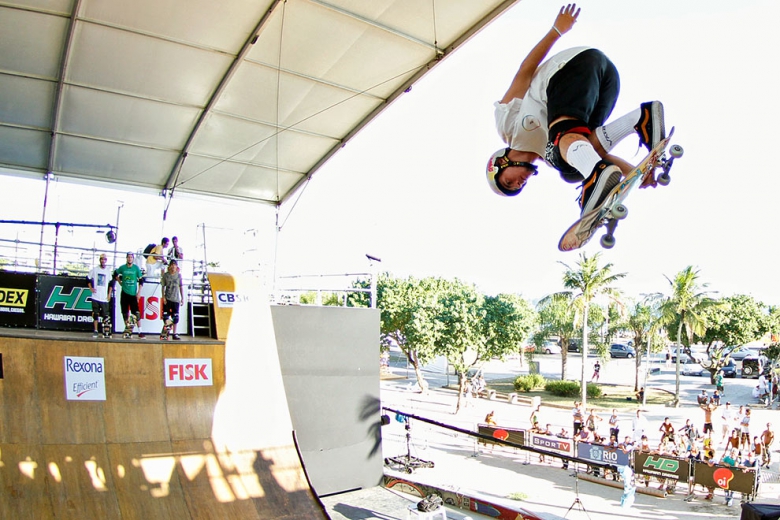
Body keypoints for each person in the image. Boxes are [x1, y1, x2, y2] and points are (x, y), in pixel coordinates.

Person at [486, 4, 666, 219]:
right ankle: (640, 119)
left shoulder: (507, 126)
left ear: (500, 164)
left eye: (509, 181)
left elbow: (524, 72)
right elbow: (596, 151)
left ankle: (596, 175)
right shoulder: (553, 153)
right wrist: (636, 172)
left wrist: (557, 31)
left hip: (570, 67)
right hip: (606, 82)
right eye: (517, 187)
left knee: (563, 148)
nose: (518, 183)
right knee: (570, 169)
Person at [114, 252, 145, 339]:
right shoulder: (122, 268)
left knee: (136, 313)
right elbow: (115, 273)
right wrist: (119, 281)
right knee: (125, 313)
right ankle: (128, 330)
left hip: (133, 294)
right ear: (126, 258)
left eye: (131, 257)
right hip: (124, 293)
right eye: (128, 257)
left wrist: (139, 292)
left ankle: (140, 331)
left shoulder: (136, 268)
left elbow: (141, 280)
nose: (129, 259)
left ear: (133, 259)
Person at [87, 253, 114, 338]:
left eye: (104, 259)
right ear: (100, 260)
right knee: (95, 313)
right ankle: (95, 330)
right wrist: (91, 288)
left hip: (104, 297)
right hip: (95, 296)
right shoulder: (95, 269)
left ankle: (105, 331)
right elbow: (87, 278)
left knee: (105, 315)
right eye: (101, 259)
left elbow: (111, 283)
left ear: (106, 261)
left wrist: (109, 294)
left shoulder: (108, 271)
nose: (103, 261)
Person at [160, 260, 184, 340]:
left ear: (176, 266)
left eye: (175, 265)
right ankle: (166, 332)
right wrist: (163, 297)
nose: (173, 266)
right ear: (170, 266)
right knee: (166, 316)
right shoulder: (166, 275)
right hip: (168, 298)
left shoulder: (179, 276)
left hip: (176, 299)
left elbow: (181, 287)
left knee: (175, 317)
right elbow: (163, 286)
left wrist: (182, 298)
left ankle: (174, 333)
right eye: (172, 265)